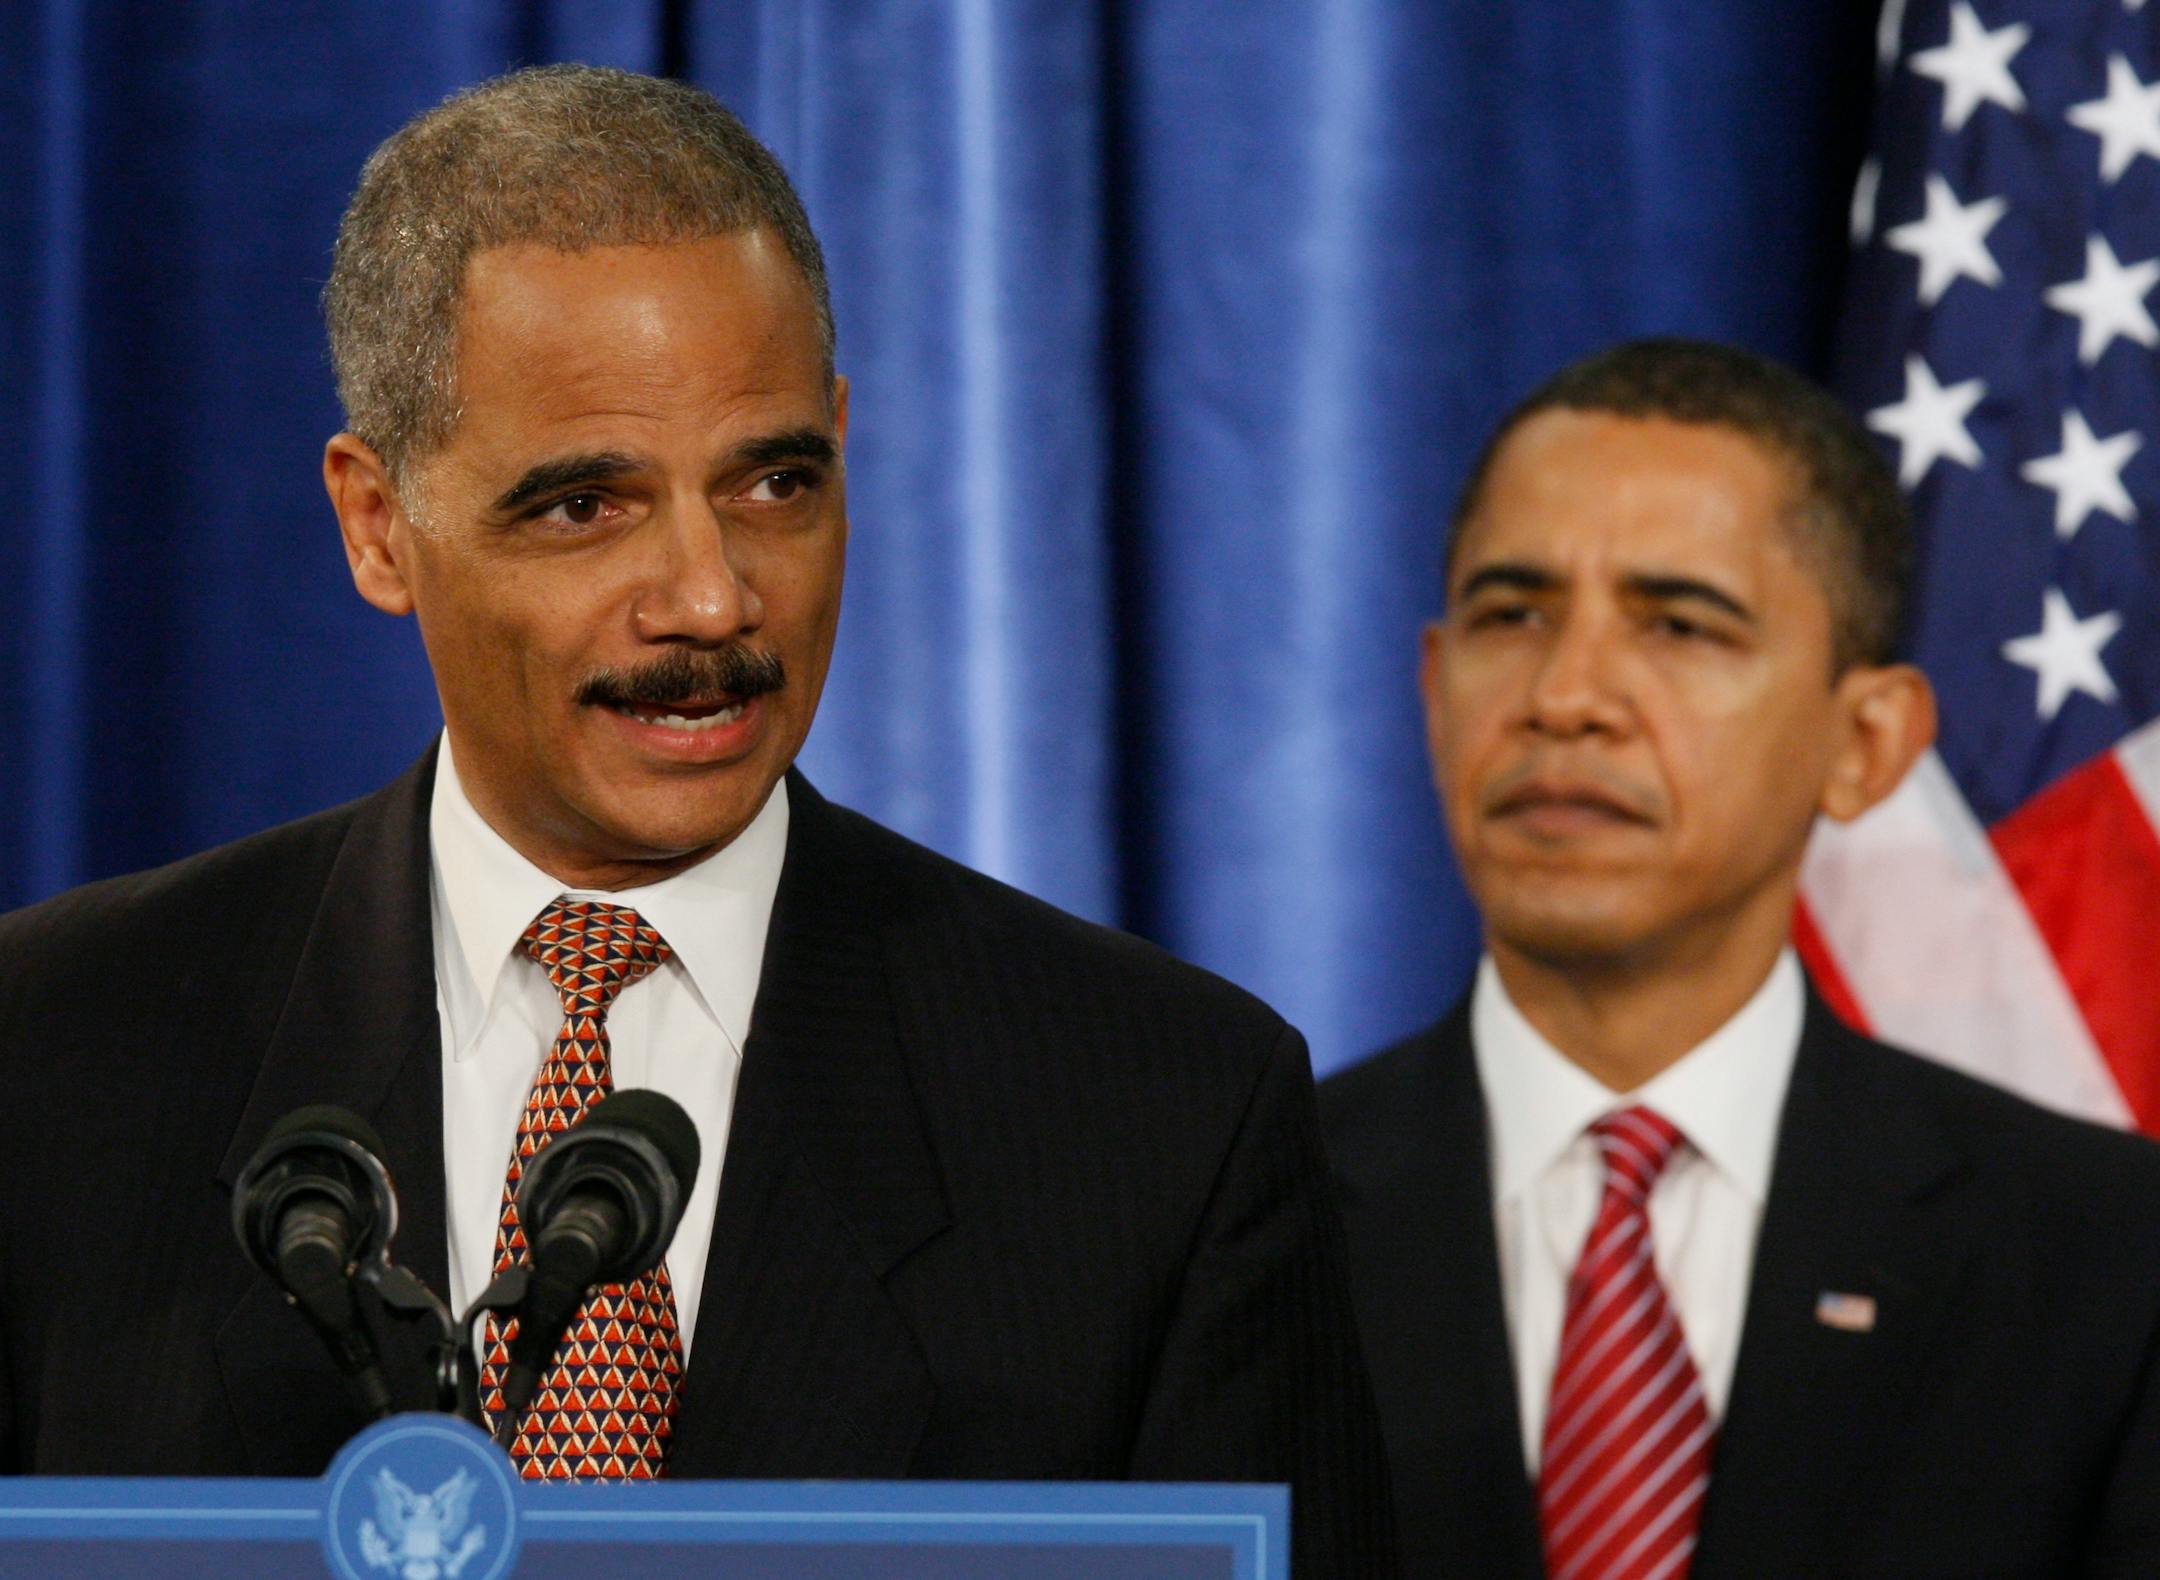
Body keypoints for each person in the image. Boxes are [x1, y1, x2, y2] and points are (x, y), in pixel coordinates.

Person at [0, 65, 1393, 1574]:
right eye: (584, 506)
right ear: (377, 522)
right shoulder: (55, 1054)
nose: (713, 596)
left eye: (775, 481)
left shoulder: (1163, 1118)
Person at [1320, 338, 2160, 1579]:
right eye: (1513, 614)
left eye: (1678, 624)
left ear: (1865, 742)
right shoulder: (1234, 1222)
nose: (1567, 693)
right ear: (1435, 690)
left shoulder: (2111, 1260)